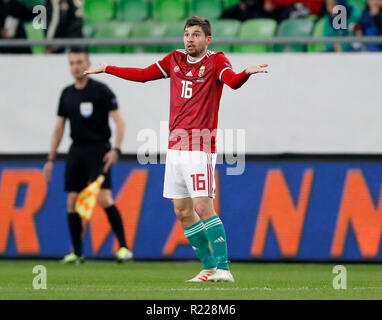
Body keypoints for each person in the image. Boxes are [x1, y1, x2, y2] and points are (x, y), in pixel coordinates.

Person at [84, 16, 268, 282]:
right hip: (175, 146)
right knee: (182, 211)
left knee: (203, 206)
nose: (190, 39)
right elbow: (144, 75)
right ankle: (207, 268)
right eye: (186, 34)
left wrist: (246, 73)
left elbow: (232, 81)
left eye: (195, 35)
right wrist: (108, 68)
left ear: (208, 39)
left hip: (200, 145)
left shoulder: (216, 61)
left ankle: (224, 268)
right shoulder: (175, 60)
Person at [42, 47, 133, 264]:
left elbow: (119, 121)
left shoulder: (101, 90)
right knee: (72, 201)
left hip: (99, 149)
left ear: (88, 63)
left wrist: (116, 149)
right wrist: (50, 158)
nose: (76, 66)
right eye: (72, 62)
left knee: (103, 198)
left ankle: (123, 248)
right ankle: (78, 253)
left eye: (80, 62)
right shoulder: (67, 93)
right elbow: (59, 128)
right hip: (76, 151)